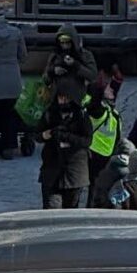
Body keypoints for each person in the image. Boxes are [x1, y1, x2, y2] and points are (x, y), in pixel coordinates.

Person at [37, 77, 93, 208]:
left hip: (74, 173)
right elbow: (37, 134)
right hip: (51, 171)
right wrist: (46, 135)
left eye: (66, 98)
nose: (63, 101)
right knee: (51, 209)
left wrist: (66, 137)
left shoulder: (81, 116)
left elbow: (87, 140)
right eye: (60, 98)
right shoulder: (50, 113)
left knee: (70, 212)